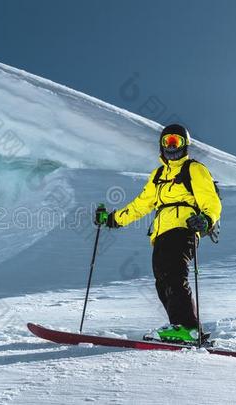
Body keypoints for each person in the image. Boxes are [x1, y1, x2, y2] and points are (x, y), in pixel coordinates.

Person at [95, 123, 221, 343]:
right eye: (167, 142)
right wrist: (113, 219)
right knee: (162, 279)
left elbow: (210, 200)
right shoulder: (158, 175)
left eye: (176, 141)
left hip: (184, 228)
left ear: (185, 145)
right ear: (162, 146)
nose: (172, 147)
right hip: (161, 233)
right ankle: (181, 328)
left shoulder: (193, 169)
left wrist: (207, 219)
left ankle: (188, 328)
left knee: (174, 274)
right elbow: (141, 205)